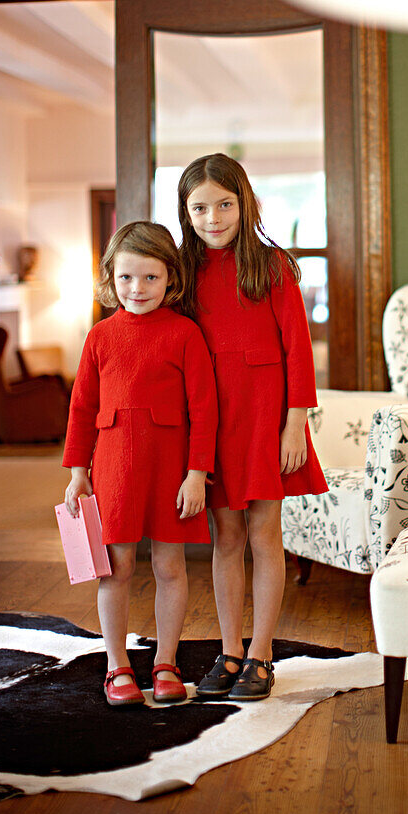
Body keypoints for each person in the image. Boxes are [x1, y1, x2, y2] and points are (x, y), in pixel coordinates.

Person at [178, 153, 327, 700]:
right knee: (227, 538)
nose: (213, 217)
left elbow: (298, 352)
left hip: (266, 416)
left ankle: (262, 655)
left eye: (224, 204)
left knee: (265, 535)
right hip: (212, 419)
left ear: (245, 204)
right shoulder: (182, 270)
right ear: (185, 211)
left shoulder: (273, 266)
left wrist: (295, 425)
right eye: (200, 207)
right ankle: (230, 650)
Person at [62, 221, 218, 708]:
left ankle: (167, 662)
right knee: (117, 567)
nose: (138, 289)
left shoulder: (185, 333)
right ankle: (117, 667)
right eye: (127, 278)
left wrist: (197, 473)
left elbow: (204, 408)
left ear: (171, 278)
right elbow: (82, 407)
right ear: (111, 277)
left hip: (172, 469)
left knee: (171, 565)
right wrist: (77, 471)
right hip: (112, 469)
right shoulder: (100, 337)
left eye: (151, 278)